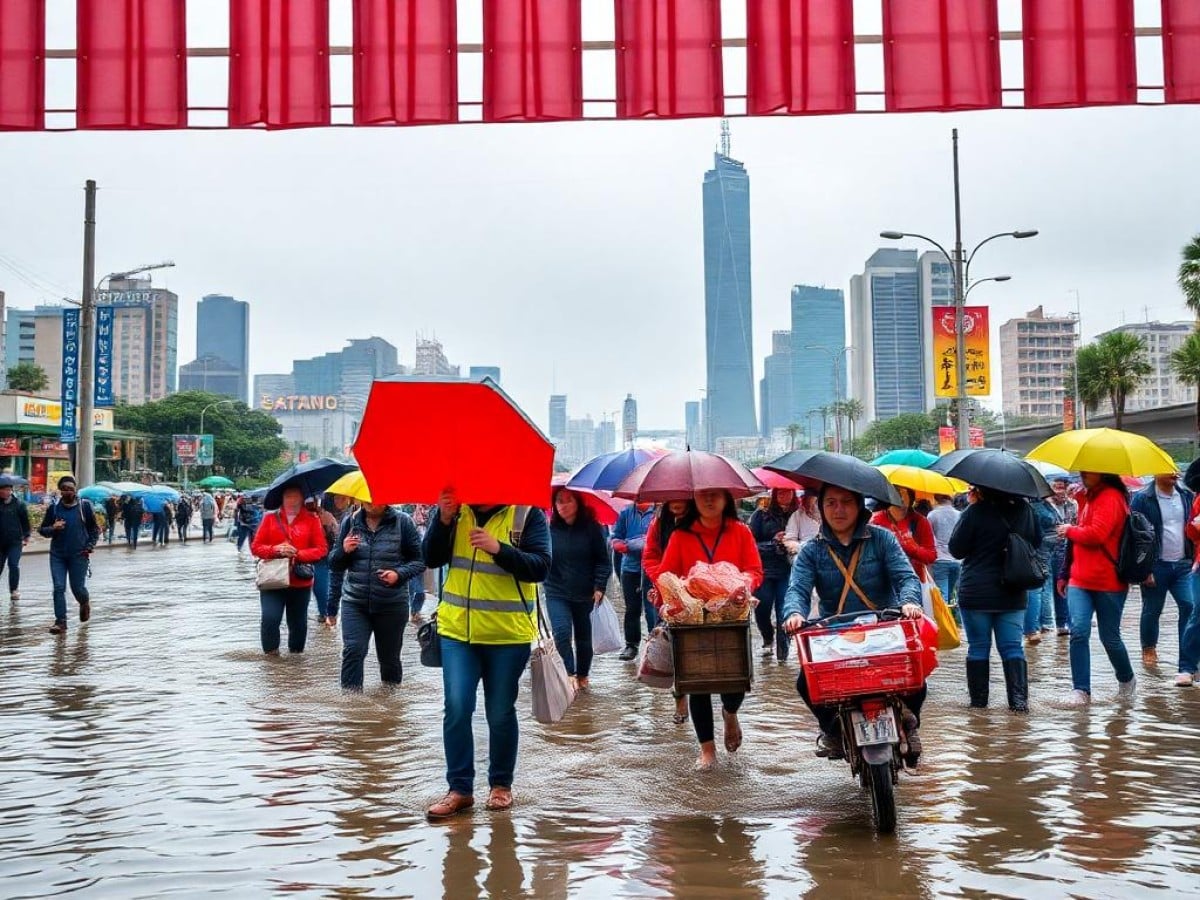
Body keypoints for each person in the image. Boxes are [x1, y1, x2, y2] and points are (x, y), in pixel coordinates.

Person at [422, 492, 551, 820]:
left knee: (499, 712)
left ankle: (500, 786)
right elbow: (431, 557)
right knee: (457, 706)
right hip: (456, 632)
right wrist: (443, 519)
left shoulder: (525, 514)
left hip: (507, 634)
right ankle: (459, 790)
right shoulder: (456, 512)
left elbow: (540, 567)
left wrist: (499, 549)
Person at [781, 485, 925, 766]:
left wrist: (909, 602)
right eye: (831, 503)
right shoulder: (812, 550)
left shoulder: (882, 539)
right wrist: (794, 613)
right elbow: (797, 589)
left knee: (917, 673)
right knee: (804, 683)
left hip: (884, 630)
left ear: (860, 505)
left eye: (846, 502)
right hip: (834, 636)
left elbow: (906, 577)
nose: (839, 509)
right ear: (821, 508)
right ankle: (833, 730)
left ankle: (910, 721)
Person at [654, 489, 763, 770]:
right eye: (703, 495)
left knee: (735, 679)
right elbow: (666, 574)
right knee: (696, 683)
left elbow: (755, 570)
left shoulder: (740, 532)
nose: (710, 500)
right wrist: (678, 591)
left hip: (732, 615)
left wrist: (741, 584)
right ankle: (707, 751)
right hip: (693, 621)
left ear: (727, 499)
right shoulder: (681, 535)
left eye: (716, 495)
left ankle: (730, 713)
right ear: (694, 500)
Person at [949, 486, 1041, 712]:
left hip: (976, 591)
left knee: (978, 648)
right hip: (1013, 589)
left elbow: (956, 549)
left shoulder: (974, 512)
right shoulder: (1025, 510)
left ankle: (979, 708)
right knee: (1013, 648)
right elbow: (1037, 542)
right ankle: (1019, 707)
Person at [1056, 472, 1136, 706]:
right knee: (1078, 631)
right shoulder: (1088, 497)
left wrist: (1069, 529)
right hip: (1079, 579)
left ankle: (1126, 680)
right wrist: (1064, 573)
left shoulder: (1112, 497)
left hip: (1109, 580)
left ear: (1102, 472)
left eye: (1087, 471)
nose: (1081, 475)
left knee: (1109, 637)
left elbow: (1097, 534)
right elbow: (1076, 543)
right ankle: (1081, 690)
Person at [328, 499, 424, 689]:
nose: (370, 502)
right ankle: (351, 708)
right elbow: (334, 564)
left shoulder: (403, 522)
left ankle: (389, 707)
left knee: (389, 659)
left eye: (376, 497)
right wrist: (343, 551)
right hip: (355, 602)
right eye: (366, 498)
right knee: (353, 650)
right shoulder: (350, 522)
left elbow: (419, 561)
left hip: (392, 603)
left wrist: (399, 574)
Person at [545, 487, 612, 692]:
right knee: (562, 632)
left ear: (578, 503)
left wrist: (599, 586)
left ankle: (583, 675)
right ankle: (569, 673)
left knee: (583, 638)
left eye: (568, 500)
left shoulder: (592, 528)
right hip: (556, 590)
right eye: (559, 501)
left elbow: (603, 560)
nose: (563, 505)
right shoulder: (549, 529)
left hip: (585, 592)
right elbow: (541, 557)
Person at [250, 487, 328, 655]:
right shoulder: (270, 518)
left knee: (298, 624)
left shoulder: (312, 519)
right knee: (270, 618)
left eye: (296, 496)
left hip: (300, 580)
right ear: (282, 499)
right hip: (273, 579)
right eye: (288, 496)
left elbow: (321, 549)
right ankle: (271, 660)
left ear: (302, 498)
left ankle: (295, 661)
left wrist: (298, 553)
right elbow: (256, 547)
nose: (292, 500)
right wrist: (276, 550)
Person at [1131, 473, 1195, 676]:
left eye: (1174, 469)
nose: (1174, 474)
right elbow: (1136, 534)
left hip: (1184, 563)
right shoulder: (1143, 498)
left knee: (1190, 605)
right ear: (1157, 473)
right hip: (1156, 564)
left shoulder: (1185, 494)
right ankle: (1148, 647)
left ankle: (1187, 659)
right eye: (1168, 470)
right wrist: (1144, 569)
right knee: (1153, 609)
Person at [642, 499, 691, 725]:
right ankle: (680, 695)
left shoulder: (702, 520)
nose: (675, 501)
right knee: (675, 646)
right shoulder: (658, 523)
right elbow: (650, 556)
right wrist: (663, 578)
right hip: (669, 594)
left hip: (700, 592)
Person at [39, 476, 100, 635]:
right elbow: (42, 530)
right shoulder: (53, 509)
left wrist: (89, 546)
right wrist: (53, 528)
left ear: (75, 490)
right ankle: (61, 622)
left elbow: (94, 529)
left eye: (71, 489)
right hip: (57, 555)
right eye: (64, 488)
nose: (68, 491)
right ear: (60, 490)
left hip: (79, 554)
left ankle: (84, 602)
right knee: (58, 587)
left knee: (77, 588)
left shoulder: (84, 507)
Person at [748, 487, 799, 661]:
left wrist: (792, 544)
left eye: (788, 492)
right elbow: (750, 545)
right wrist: (773, 543)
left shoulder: (799, 515)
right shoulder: (760, 515)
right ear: (774, 494)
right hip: (764, 571)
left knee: (784, 611)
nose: (785, 496)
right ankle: (767, 637)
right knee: (762, 610)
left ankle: (783, 656)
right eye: (781, 492)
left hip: (788, 571)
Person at [610, 501, 656, 660]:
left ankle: (656, 642)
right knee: (632, 609)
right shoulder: (626, 513)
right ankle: (631, 644)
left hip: (653, 568)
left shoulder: (658, 512)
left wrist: (648, 544)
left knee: (653, 606)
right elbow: (615, 539)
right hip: (630, 568)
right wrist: (630, 545)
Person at [870, 487, 938, 582]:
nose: (901, 498)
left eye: (904, 494)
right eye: (897, 493)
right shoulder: (874, 520)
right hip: (881, 582)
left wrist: (910, 547)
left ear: (911, 498)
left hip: (913, 581)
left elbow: (931, 556)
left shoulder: (920, 521)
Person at [1024, 496, 1061, 644]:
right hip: (1048, 544)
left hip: (1036, 546)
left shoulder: (1030, 507)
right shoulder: (1046, 505)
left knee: (1034, 586)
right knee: (1041, 583)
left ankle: (1034, 628)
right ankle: (1043, 624)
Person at [1046, 477, 1079, 635]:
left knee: (1062, 587)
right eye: (1056, 487)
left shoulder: (1072, 505)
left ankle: (1063, 623)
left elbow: (1076, 524)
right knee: (1045, 588)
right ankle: (1045, 624)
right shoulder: (1046, 505)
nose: (1059, 491)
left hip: (1065, 547)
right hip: (1048, 547)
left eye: (1061, 488)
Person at [307, 496, 339, 625]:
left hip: (310, 553)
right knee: (323, 580)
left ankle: (324, 613)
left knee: (318, 582)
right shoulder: (326, 514)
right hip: (325, 552)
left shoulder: (301, 515)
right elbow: (336, 534)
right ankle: (325, 613)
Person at [926, 494, 961, 606]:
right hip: (957, 559)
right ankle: (954, 620)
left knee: (943, 595)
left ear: (936, 499)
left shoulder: (932, 515)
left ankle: (943, 621)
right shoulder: (959, 515)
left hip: (940, 558)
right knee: (951, 594)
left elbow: (928, 537)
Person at [0, 480, 31, 600]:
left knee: (13, 565)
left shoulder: (19, 504)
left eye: (8, 490)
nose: (6, 492)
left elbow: (25, 522)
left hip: (15, 541)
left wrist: (26, 536)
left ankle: (14, 589)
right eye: (3, 490)